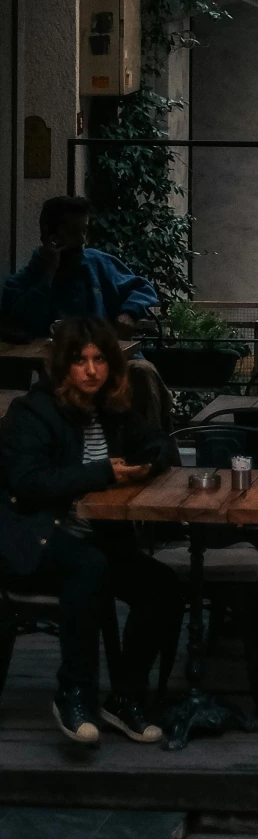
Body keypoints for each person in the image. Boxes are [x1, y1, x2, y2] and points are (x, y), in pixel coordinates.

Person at [0, 317, 180, 747]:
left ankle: (124, 696)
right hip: (36, 538)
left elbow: (160, 441)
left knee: (162, 586)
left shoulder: (114, 411)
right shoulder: (32, 413)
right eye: (80, 361)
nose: (91, 370)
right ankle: (74, 694)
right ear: (62, 366)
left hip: (97, 539)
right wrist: (103, 472)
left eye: (100, 359)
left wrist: (149, 461)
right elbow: (30, 482)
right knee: (90, 568)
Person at [0, 196, 159, 341]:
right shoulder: (21, 282)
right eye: (73, 231)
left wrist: (129, 313)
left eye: (84, 230)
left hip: (108, 356)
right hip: (56, 362)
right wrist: (47, 276)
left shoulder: (98, 263)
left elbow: (143, 288)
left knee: (142, 370)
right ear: (49, 234)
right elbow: (23, 323)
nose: (82, 239)